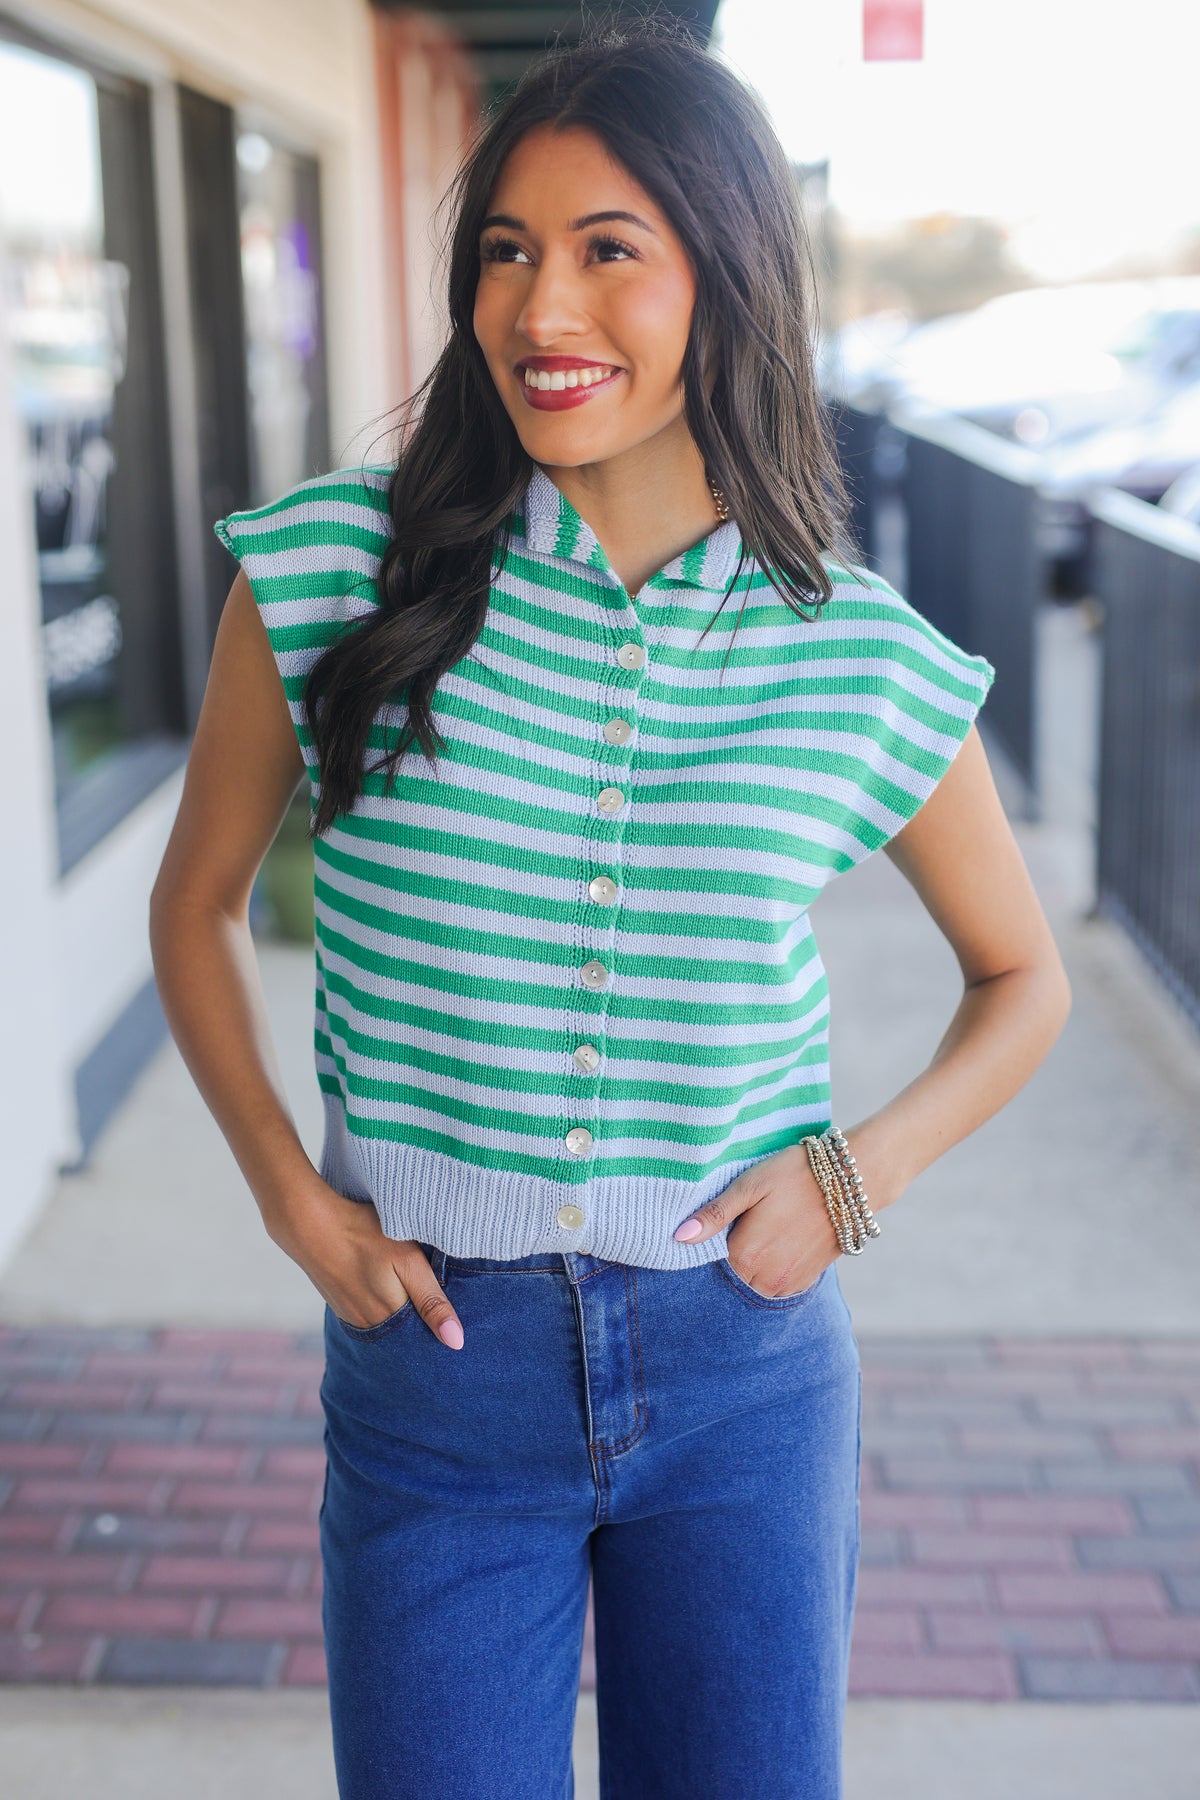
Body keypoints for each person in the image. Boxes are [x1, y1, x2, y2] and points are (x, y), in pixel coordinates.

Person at [150, 16, 1071, 1798]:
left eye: (605, 252)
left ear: (724, 279)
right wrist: (290, 1199)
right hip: (436, 1369)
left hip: (744, 1371)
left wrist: (852, 1182)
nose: (539, 309)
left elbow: (1022, 975)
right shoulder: (342, 570)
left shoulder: (852, 653)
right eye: (506, 250)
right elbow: (192, 912)